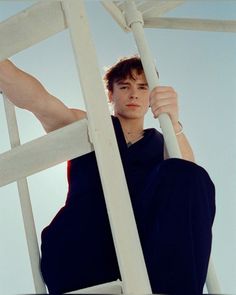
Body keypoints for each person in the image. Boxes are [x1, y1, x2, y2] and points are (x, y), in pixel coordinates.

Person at [0, 56, 215, 294]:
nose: (133, 94)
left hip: (141, 255)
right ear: (111, 94)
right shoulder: (89, 125)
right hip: (83, 249)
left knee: (188, 175)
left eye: (142, 87)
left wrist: (173, 122)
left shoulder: (163, 142)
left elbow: (188, 194)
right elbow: (42, 102)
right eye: (124, 86)